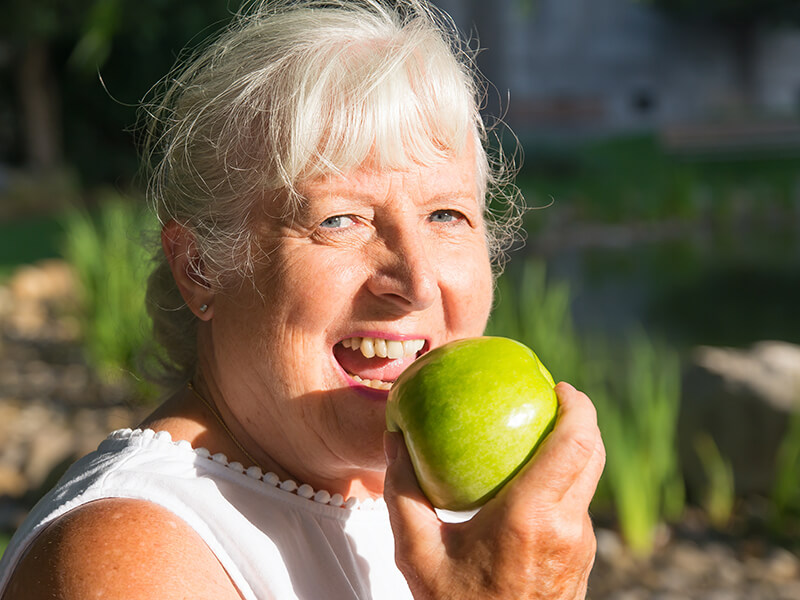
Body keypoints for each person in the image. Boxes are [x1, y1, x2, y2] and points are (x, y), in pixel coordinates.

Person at [0, 1, 605, 598]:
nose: (416, 280)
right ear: (201, 267)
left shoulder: (449, 518)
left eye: (445, 214)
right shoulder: (128, 558)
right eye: (341, 220)